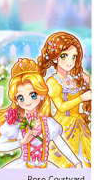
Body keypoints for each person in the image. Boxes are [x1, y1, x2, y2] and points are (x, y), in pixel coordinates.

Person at [0, 58, 82, 169]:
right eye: (21, 98)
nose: (27, 102)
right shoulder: (17, 122)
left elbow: (61, 145)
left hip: (45, 168)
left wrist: (76, 162)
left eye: (33, 95)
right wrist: (22, 141)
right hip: (23, 167)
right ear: (16, 100)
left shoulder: (49, 123)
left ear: (41, 95)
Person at [37, 32, 91, 168]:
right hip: (63, 124)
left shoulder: (74, 78)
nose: (70, 62)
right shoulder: (52, 82)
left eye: (74, 57)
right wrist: (81, 98)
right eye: (64, 56)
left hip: (79, 123)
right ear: (55, 58)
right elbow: (61, 107)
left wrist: (85, 83)